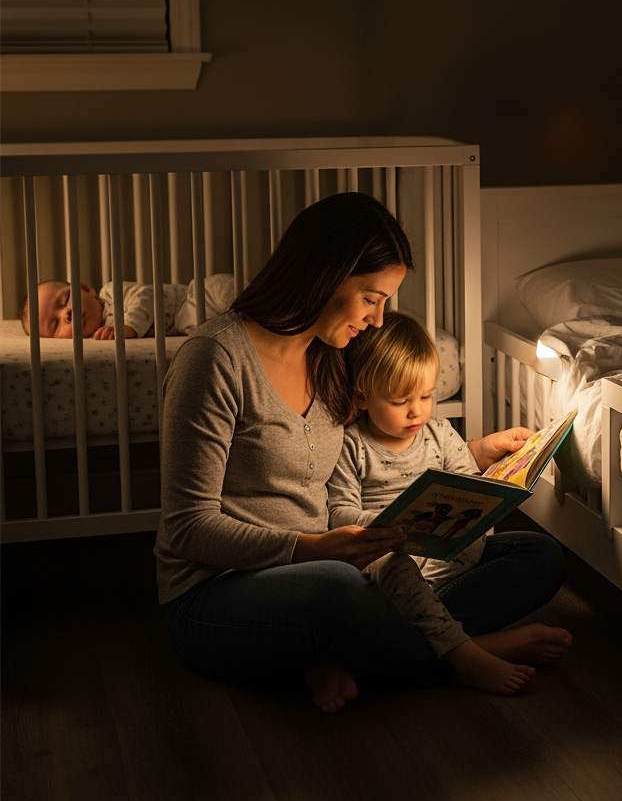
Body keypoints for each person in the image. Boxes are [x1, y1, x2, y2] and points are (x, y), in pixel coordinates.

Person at [155, 191, 569, 713]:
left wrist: (476, 453)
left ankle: (363, 652)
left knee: (536, 556)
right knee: (337, 589)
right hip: (221, 591)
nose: (377, 319)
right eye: (372, 298)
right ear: (325, 274)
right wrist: (312, 549)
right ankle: (469, 650)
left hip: (340, 566)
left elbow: (383, 439)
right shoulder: (214, 360)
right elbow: (188, 527)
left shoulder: (333, 353)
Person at [329, 311, 571, 696]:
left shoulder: (441, 434)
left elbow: (469, 485)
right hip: (387, 575)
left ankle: (404, 650)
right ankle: (474, 652)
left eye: (426, 396)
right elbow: (339, 513)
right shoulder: (350, 445)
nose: (417, 411)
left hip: (448, 572)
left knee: (542, 553)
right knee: (392, 563)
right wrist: (388, 525)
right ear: (362, 397)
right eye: (400, 401)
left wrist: (496, 491)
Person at [20, 274, 235, 340]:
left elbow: (145, 296)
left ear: (86, 289)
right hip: (187, 320)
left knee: (231, 294)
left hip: (197, 294)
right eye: (55, 324)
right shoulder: (102, 337)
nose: (66, 313)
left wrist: (129, 326)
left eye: (65, 299)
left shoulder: (110, 292)